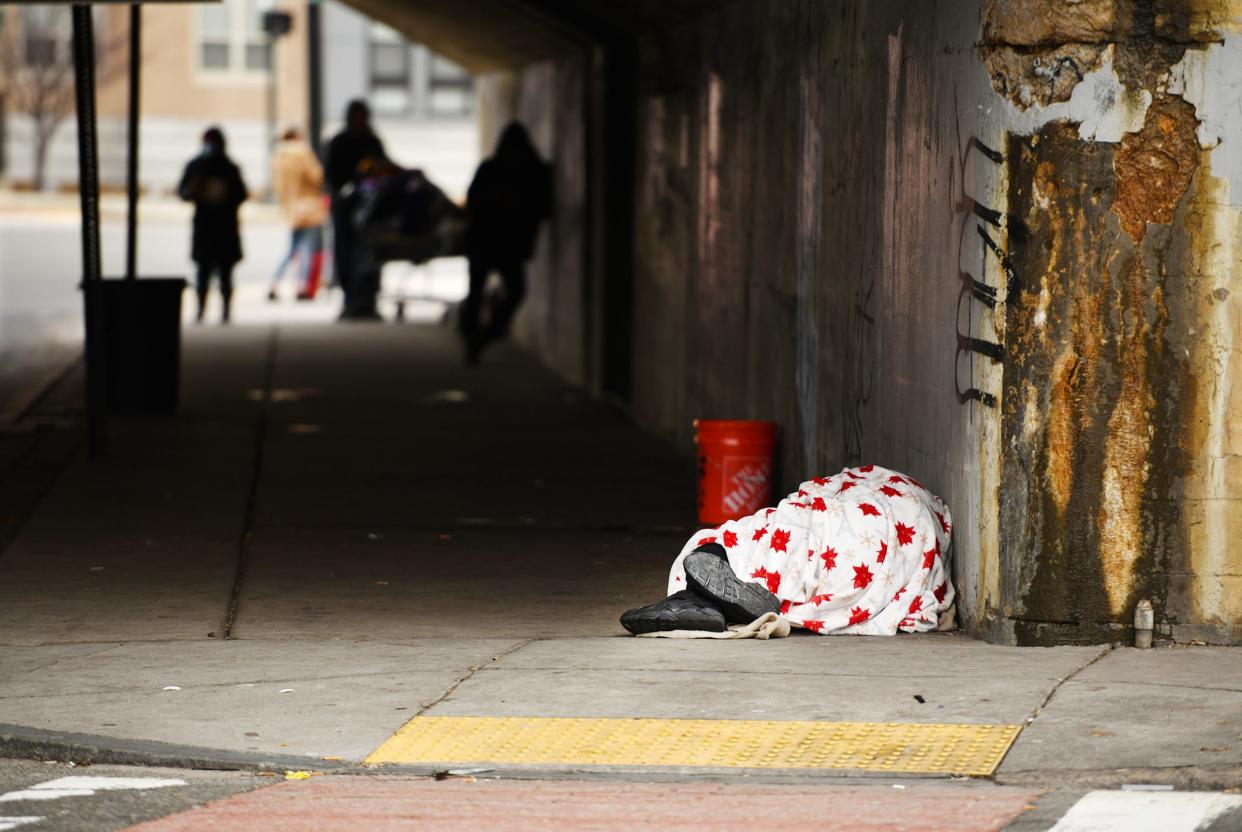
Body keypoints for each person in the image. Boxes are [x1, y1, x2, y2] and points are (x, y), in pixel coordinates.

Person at [621, 465, 955, 636]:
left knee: (782, 529)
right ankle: (711, 592)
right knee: (802, 530)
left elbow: (820, 500)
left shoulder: (873, 488)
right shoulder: (915, 502)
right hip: (900, 541)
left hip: (884, 523)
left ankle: (711, 578)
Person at [459, 122, 553, 364]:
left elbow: (542, 208)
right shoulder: (506, 171)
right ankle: (476, 336)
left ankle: (480, 335)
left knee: (493, 292)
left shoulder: (519, 172)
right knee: (486, 292)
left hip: (497, 245)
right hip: (492, 243)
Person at [324, 100, 387, 319]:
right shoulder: (339, 142)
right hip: (345, 208)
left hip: (370, 208)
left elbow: (383, 168)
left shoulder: (372, 141)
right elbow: (331, 176)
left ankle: (368, 300)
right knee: (346, 253)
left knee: (370, 253)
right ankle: (351, 298)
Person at [178, 126, 248, 324]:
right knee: (207, 272)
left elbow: (241, 194)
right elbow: (183, 192)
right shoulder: (201, 167)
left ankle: (220, 310)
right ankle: (206, 309)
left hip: (218, 225)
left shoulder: (226, 167)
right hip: (211, 225)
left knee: (218, 272)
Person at [269, 127, 327, 301]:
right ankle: (302, 286)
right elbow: (316, 176)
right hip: (307, 205)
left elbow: (278, 186)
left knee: (292, 248)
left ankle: (274, 283)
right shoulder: (302, 153)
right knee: (307, 249)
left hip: (291, 207)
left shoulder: (278, 156)